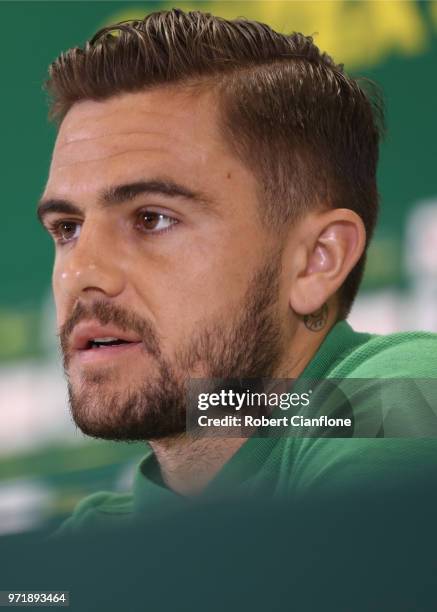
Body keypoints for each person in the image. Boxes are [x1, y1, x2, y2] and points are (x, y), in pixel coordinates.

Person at [37, 9, 437, 535]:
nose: (82, 273)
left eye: (152, 218)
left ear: (318, 259)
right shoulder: (88, 542)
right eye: (67, 228)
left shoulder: (401, 396)